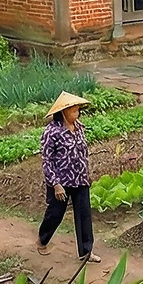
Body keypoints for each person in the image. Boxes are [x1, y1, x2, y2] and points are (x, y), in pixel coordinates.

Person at [38, 91, 98, 262]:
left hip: (80, 178)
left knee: (84, 215)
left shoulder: (79, 127)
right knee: (55, 213)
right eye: (73, 111)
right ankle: (43, 240)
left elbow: (83, 153)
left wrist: (87, 173)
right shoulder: (52, 132)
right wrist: (55, 184)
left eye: (78, 110)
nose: (76, 114)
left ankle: (86, 252)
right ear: (63, 112)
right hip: (61, 182)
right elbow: (47, 160)